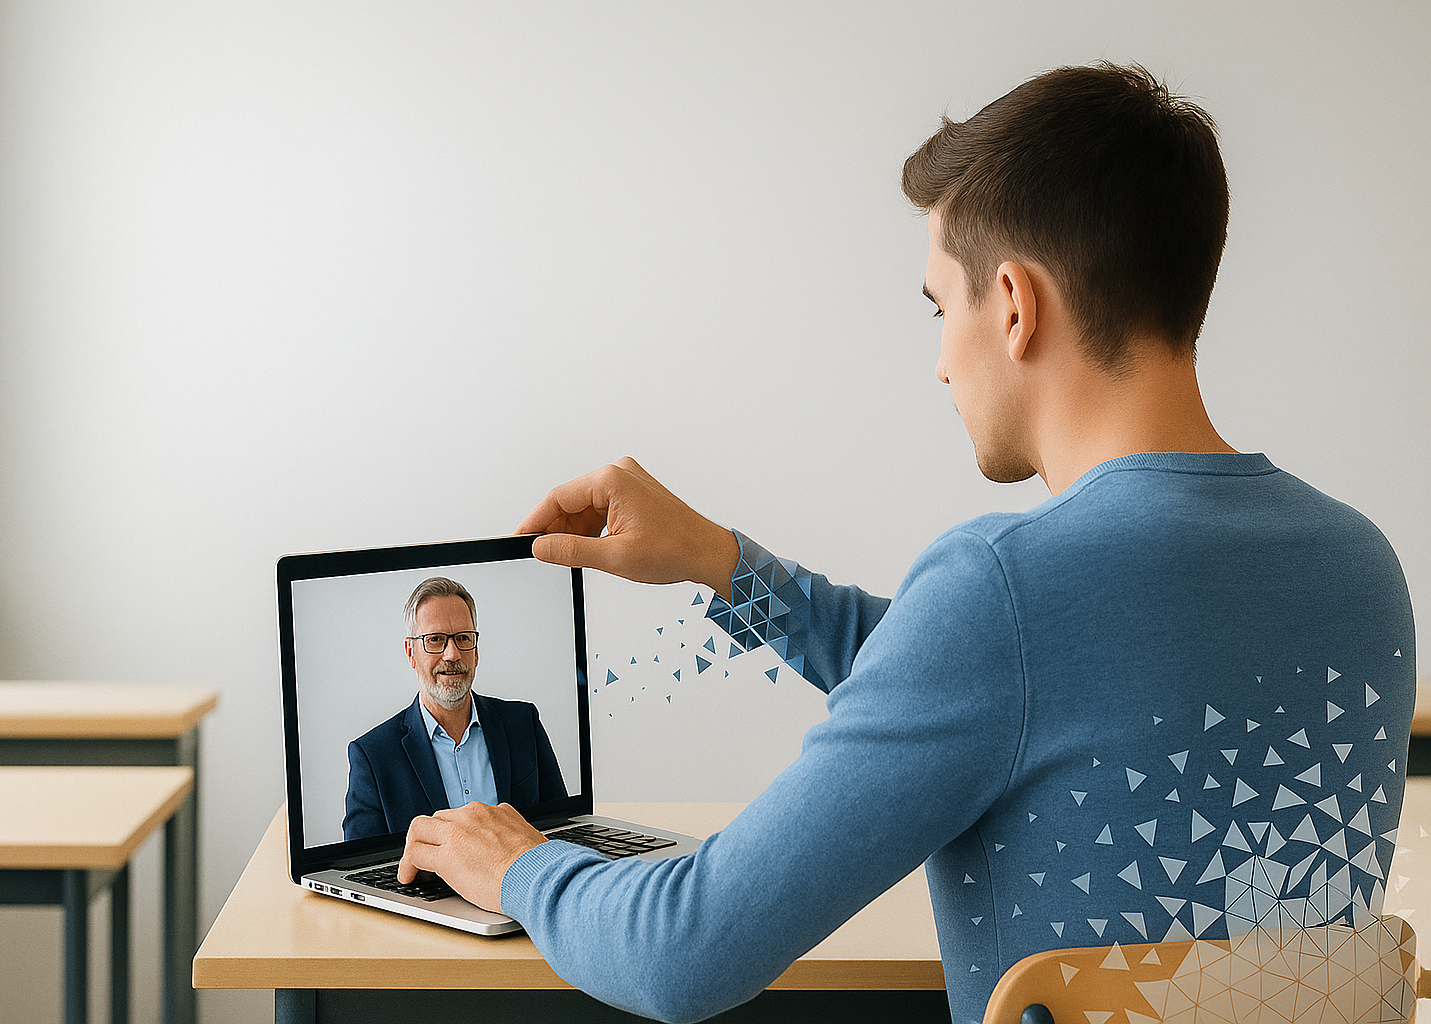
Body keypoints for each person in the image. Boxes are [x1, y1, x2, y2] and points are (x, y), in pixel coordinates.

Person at [393, 64, 1415, 1024]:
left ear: (1013, 305)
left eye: (940, 307)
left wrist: (517, 864)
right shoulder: (1362, 570)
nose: (938, 363)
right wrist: (722, 563)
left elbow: (682, 950)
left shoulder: (1004, 591)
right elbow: (1018, 685)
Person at [343, 576, 567, 841]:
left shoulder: (523, 723)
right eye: (435, 639)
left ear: (476, 651)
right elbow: (360, 867)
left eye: (463, 638)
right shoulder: (373, 756)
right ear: (410, 652)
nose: (452, 654)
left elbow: (564, 827)